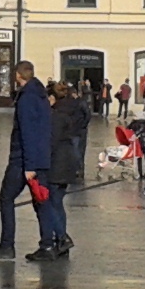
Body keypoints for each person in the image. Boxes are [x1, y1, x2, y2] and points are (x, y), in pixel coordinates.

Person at [0, 61, 52, 260]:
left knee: (6, 198)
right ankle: (48, 245)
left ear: (18, 75)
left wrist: (29, 166)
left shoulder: (26, 98)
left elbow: (27, 133)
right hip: (41, 157)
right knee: (41, 201)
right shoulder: (41, 95)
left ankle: (7, 245)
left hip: (23, 159)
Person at [29, 83, 84, 260]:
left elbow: (50, 143)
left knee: (49, 203)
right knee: (57, 203)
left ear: (52, 99)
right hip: (68, 163)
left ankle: (62, 237)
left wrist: (37, 162)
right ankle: (61, 244)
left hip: (56, 165)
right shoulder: (68, 113)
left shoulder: (54, 117)